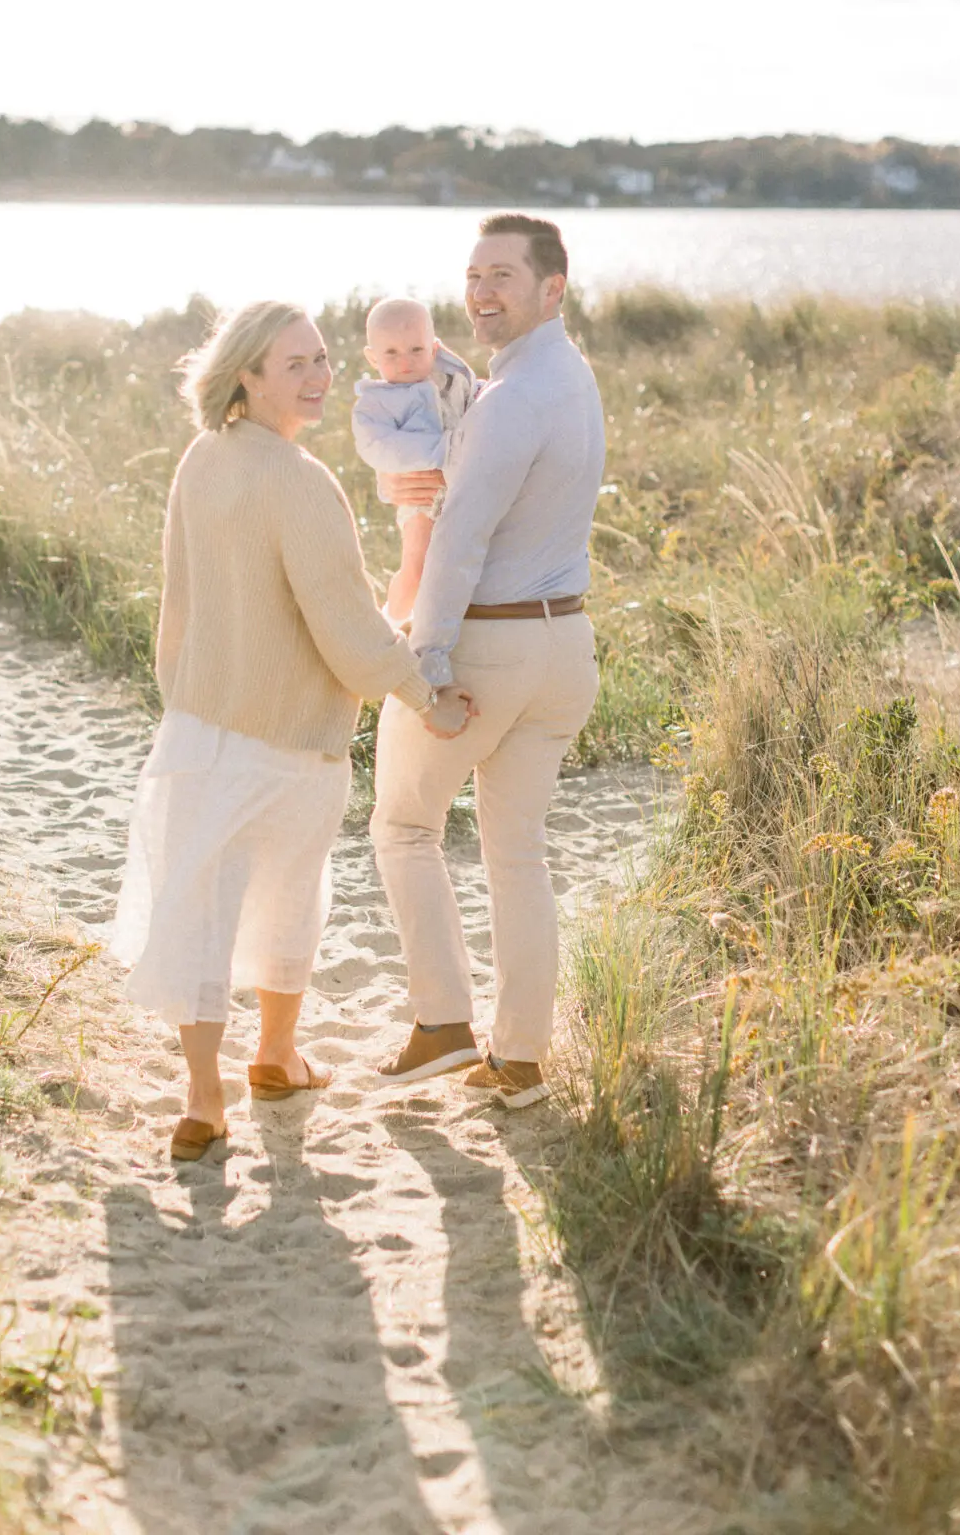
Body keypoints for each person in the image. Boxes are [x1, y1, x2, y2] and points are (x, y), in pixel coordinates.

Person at [110, 300, 475, 1163]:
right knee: (286, 899)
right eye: (295, 365)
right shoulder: (300, 480)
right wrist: (426, 696)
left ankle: (208, 1095)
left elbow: (180, 598)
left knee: (199, 906)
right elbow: (346, 627)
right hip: (289, 741)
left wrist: (186, 689)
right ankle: (270, 1059)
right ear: (247, 375)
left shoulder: (203, 459)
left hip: (201, 725)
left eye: (321, 360)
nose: (317, 378)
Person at [370, 216, 605, 1108]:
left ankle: (440, 1024)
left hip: (490, 644)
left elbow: (460, 543)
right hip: (562, 646)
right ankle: (519, 1059)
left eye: (502, 275)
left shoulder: (509, 397)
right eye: (472, 275)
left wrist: (422, 665)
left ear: (553, 287)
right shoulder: (570, 378)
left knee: (402, 826)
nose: (479, 292)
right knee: (517, 855)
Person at [351, 297, 477, 624]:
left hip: (460, 492)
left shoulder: (451, 381)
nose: (405, 361)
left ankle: (439, 626)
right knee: (418, 564)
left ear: (434, 350)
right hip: (420, 496)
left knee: (458, 563)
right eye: (391, 353)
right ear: (372, 356)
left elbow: (477, 402)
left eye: (416, 350)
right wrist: (444, 450)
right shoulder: (377, 402)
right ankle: (392, 622)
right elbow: (379, 447)